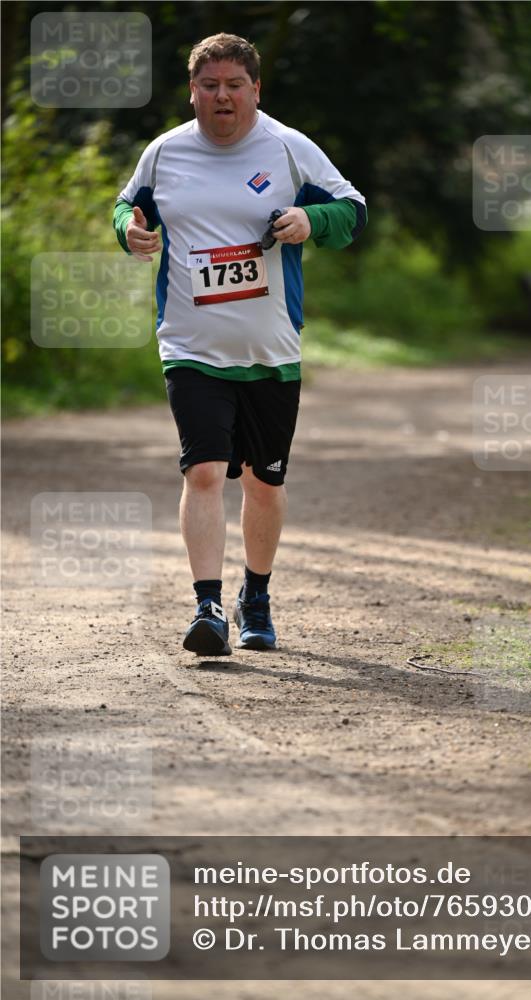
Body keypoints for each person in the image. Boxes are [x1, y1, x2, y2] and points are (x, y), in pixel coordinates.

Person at [113, 32, 366, 656]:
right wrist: (130, 233)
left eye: (233, 85)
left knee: (263, 483)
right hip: (190, 344)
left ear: (256, 89)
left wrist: (313, 220)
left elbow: (353, 211)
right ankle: (207, 606)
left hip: (270, 350)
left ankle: (256, 594)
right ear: (192, 91)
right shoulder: (165, 153)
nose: (221, 96)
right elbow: (126, 208)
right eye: (209, 85)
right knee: (202, 471)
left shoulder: (287, 148)